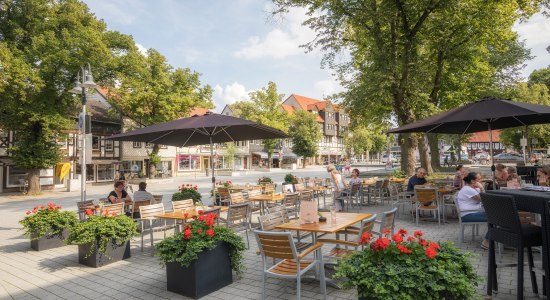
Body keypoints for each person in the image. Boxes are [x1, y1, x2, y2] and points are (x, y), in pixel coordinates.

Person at [456, 172, 489, 249]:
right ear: (472, 181)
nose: (481, 181)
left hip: (472, 212)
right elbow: (484, 200)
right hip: (468, 215)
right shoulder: (468, 190)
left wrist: (479, 188)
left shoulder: (470, 188)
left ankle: (492, 239)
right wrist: (482, 188)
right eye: (479, 179)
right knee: (496, 218)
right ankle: (487, 241)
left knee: (495, 216)